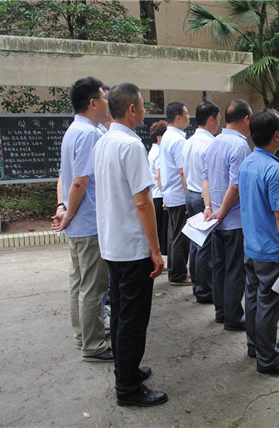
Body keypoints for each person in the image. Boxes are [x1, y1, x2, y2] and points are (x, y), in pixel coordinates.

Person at [93, 82, 167, 407]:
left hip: (112, 245)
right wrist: (156, 250)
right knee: (133, 320)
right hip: (133, 249)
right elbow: (143, 202)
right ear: (132, 109)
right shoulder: (131, 145)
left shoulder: (103, 141)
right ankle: (128, 388)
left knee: (122, 316)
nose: (144, 112)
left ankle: (127, 371)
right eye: (142, 106)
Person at [51, 76, 111, 362]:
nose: (107, 103)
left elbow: (66, 177)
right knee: (93, 287)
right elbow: (79, 181)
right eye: (104, 98)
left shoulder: (74, 130)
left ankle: (83, 336)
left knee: (79, 283)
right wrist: (70, 213)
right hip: (87, 222)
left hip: (78, 223)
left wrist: (65, 211)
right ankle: (94, 345)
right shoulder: (88, 134)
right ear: (93, 103)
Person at [239, 108, 279, 374]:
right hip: (271, 250)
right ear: (277, 136)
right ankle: (268, 359)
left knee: (254, 299)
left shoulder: (248, 163)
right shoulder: (274, 170)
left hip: (252, 246)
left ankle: (255, 346)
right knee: (268, 304)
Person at [202, 99, 252, 331]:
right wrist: (222, 212)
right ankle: (233, 317)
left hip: (215, 219)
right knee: (234, 270)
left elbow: (206, 178)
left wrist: (209, 207)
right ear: (246, 119)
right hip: (232, 220)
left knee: (220, 267)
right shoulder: (240, 146)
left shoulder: (214, 142)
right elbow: (236, 185)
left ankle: (221, 312)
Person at [182, 101, 220, 304]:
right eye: (218, 119)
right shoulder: (210, 143)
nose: (219, 123)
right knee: (205, 245)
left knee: (196, 242)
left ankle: (198, 285)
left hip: (191, 193)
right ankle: (204, 291)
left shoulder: (188, 141)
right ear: (211, 119)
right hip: (203, 197)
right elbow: (211, 177)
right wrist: (209, 204)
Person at [159, 102, 192, 286]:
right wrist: (188, 196)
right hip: (179, 194)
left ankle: (174, 271)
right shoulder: (178, 140)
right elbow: (182, 171)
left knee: (174, 235)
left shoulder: (167, 136)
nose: (189, 117)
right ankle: (178, 274)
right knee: (181, 236)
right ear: (178, 117)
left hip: (171, 192)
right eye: (186, 113)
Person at [148, 120, 169, 257]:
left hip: (155, 194)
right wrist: (165, 195)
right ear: (159, 137)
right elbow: (159, 175)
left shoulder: (152, 151)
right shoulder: (159, 152)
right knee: (163, 231)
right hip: (160, 195)